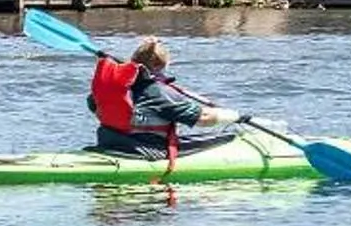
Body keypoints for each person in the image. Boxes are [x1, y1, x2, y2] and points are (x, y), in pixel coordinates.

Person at [88, 38, 240, 159]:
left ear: (133, 59)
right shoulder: (160, 92)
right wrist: (233, 116)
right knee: (220, 139)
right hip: (143, 152)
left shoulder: (112, 87)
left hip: (108, 143)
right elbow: (203, 119)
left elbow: (92, 104)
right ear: (163, 66)